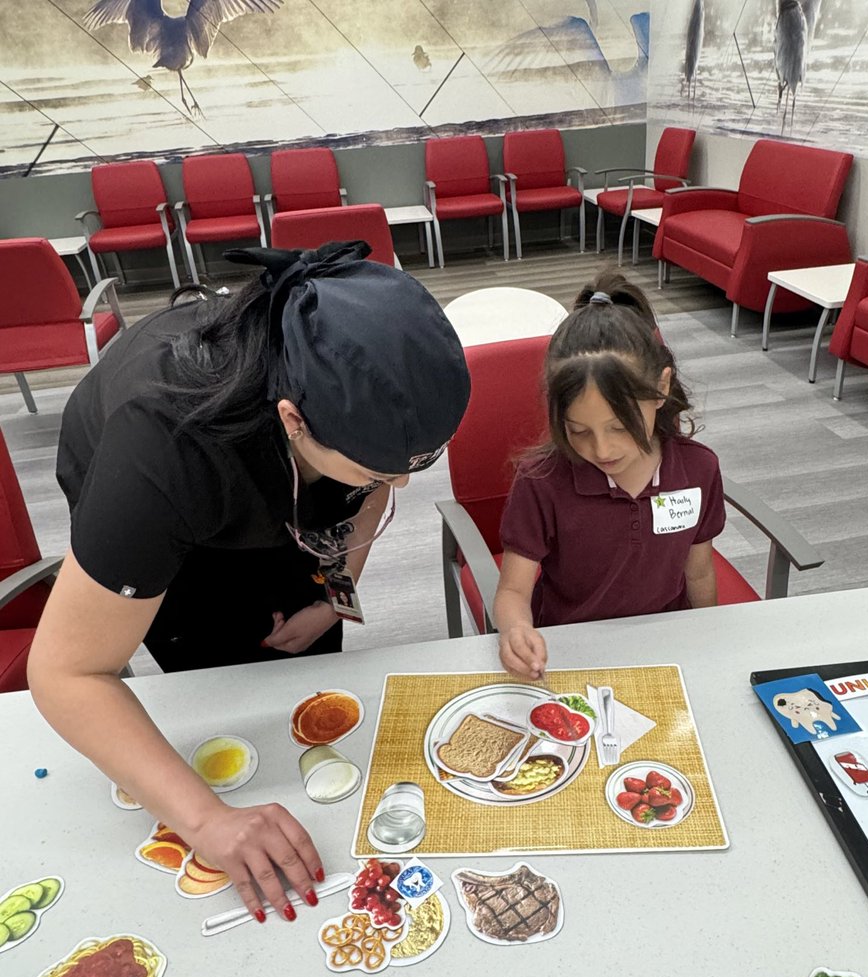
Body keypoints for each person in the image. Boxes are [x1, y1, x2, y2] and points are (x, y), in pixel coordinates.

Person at [28, 242, 470, 923]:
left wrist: (332, 595)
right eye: (378, 468)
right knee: (215, 683)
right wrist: (206, 822)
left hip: (280, 467)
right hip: (167, 508)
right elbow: (67, 673)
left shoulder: (362, 392)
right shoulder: (161, 450)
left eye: (411, 465)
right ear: (294, 419)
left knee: (301, 673)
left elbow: (367, 496)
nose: (402, 486)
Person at [494, 271, 725, 679]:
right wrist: (515, 629)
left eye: (620, 427)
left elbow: (700, 571)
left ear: (661, 388)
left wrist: (707, 643)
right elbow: (514, 590)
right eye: (578, 430)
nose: (600, 450)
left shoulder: (697, 468)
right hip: (570, 651)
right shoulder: (541, 480)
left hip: (664, 647)